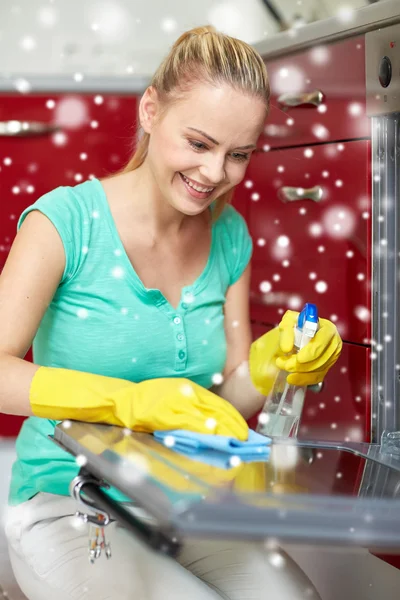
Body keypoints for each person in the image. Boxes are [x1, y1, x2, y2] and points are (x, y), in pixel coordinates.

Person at [0, 25, 341, 600]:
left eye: (239, 155)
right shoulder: (65, 223)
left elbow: (223, 404)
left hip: (185, 502)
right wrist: (129, 402)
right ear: (151, 110)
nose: (215, 174)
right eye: (200, 144)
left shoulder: (228, 236)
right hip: (72, 502)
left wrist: (267, 366)